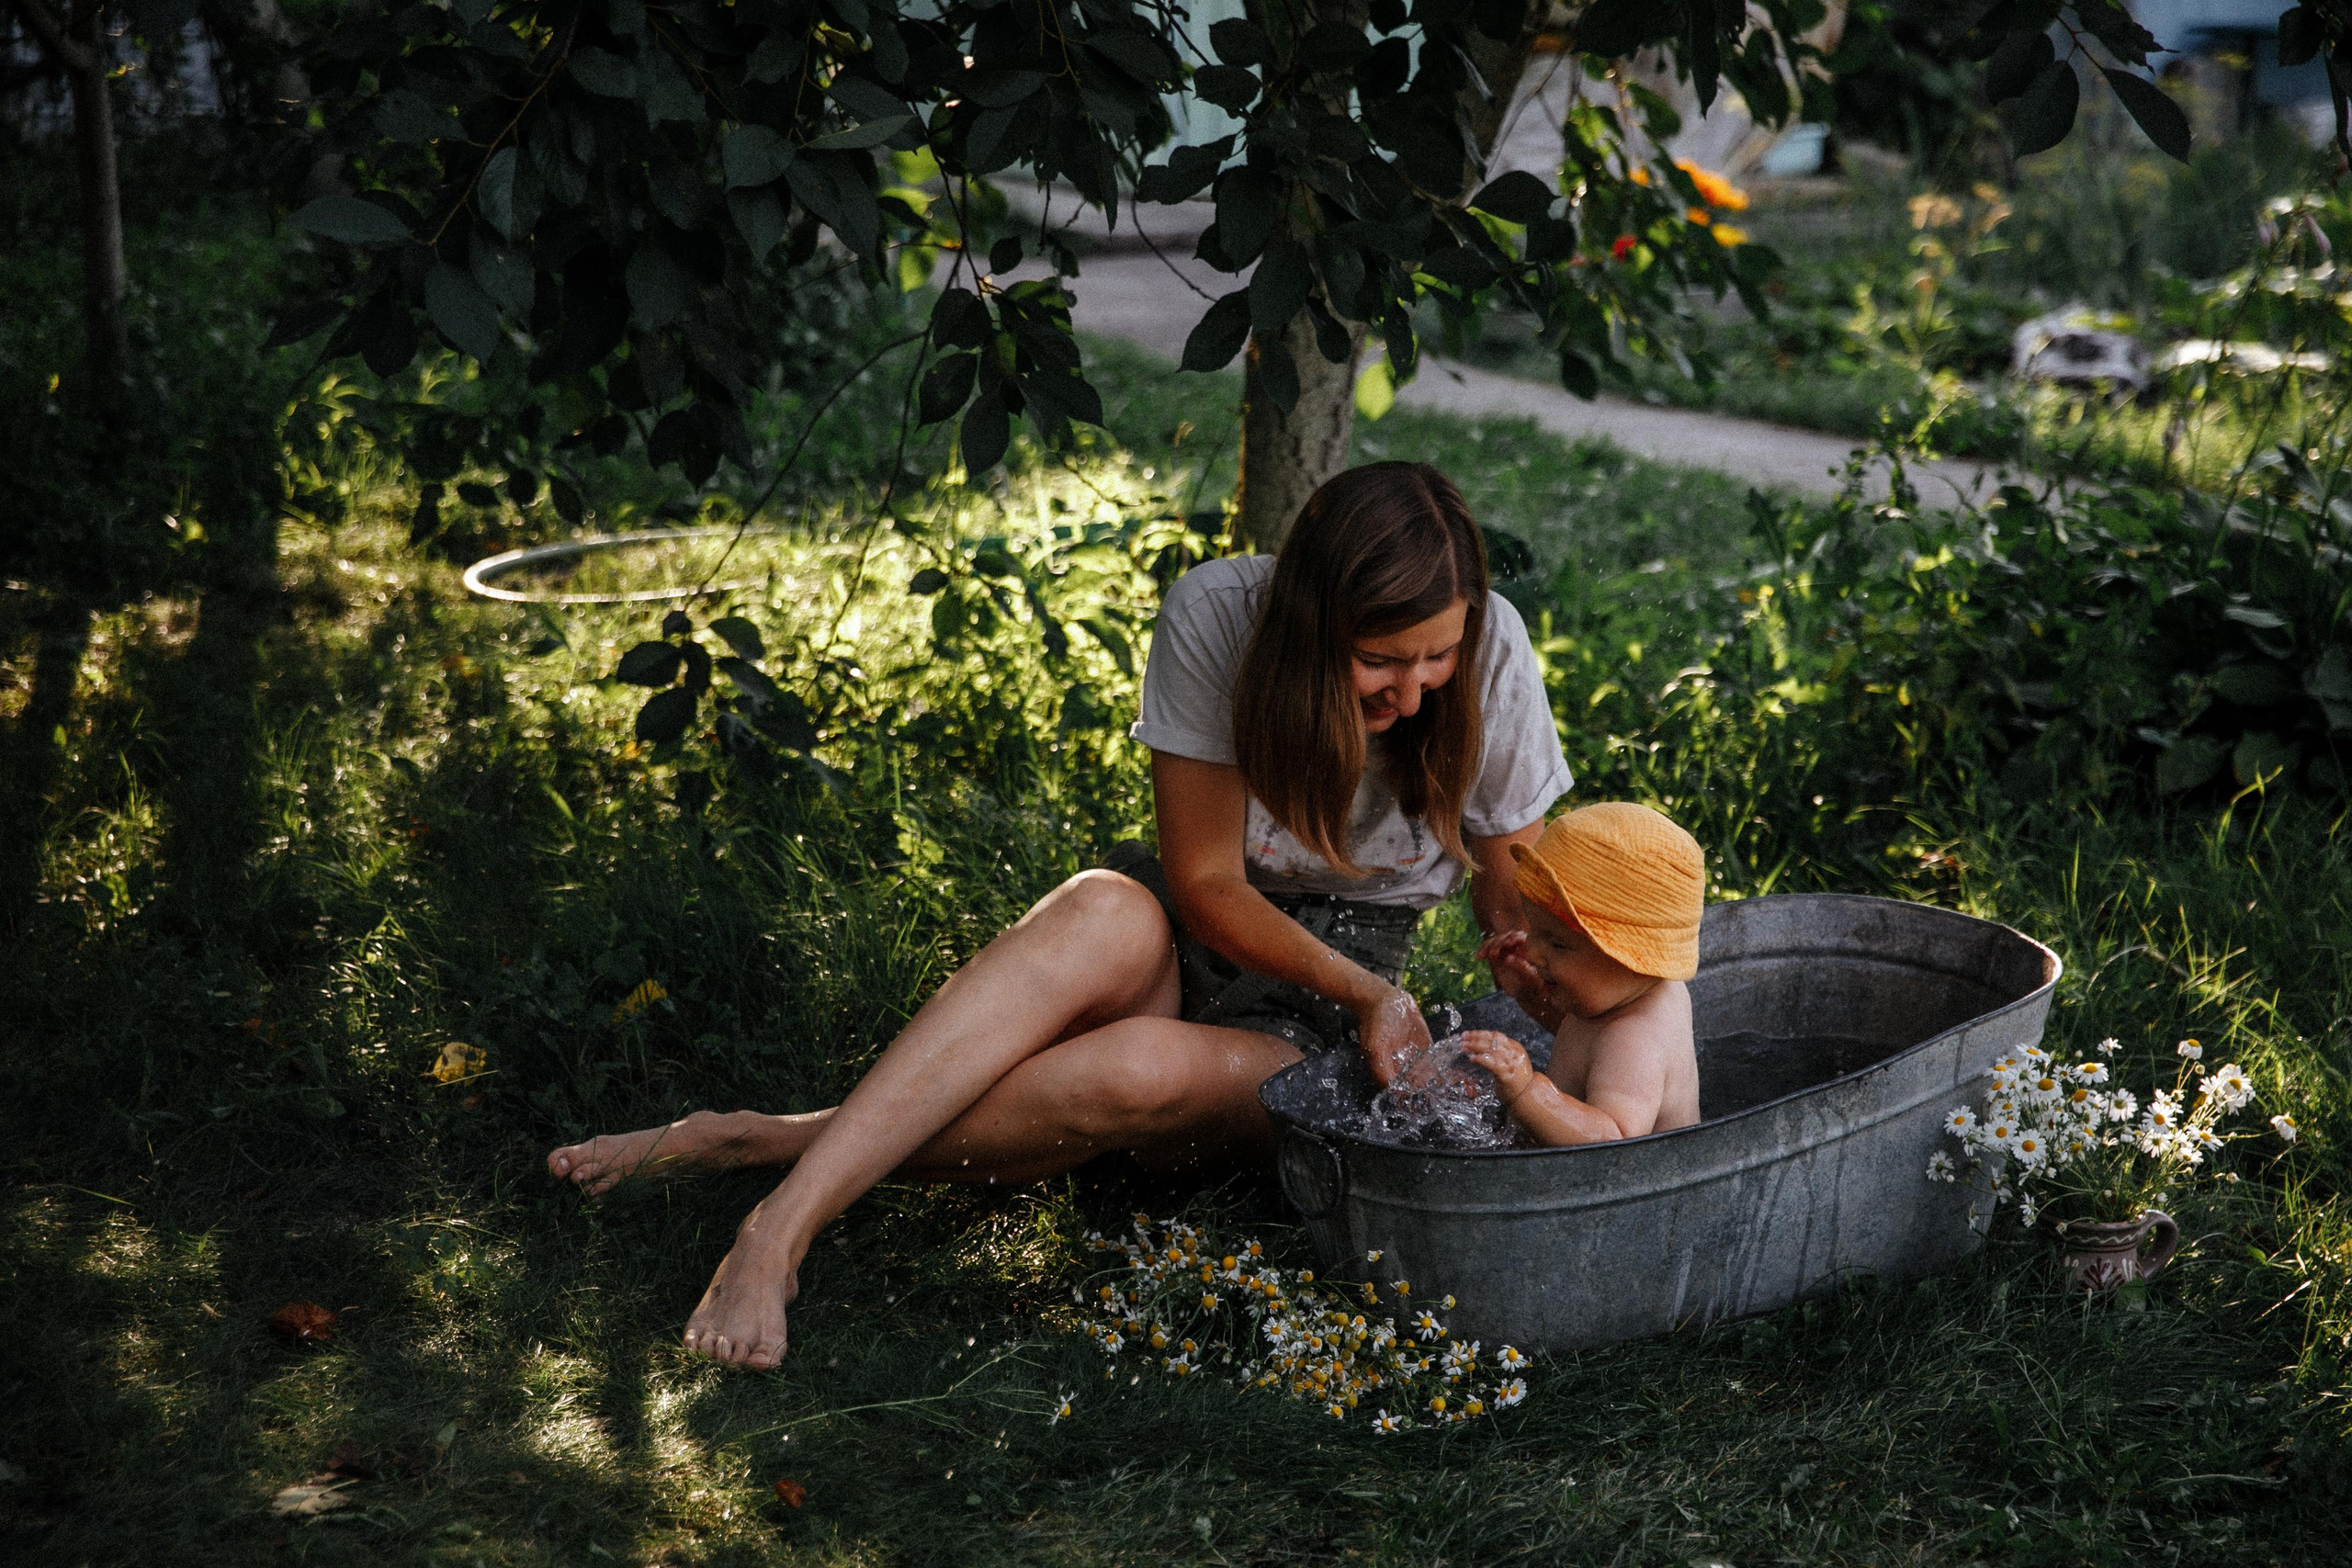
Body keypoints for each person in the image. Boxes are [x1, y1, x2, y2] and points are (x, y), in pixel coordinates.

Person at [545, 461, 1573, 1369]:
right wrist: (1373, 995)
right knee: (1097, 910)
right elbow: (1206, 887)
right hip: (1199, 923)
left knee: (1137, 1073)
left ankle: (762, 1142)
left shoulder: (1490, 653)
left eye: (1435, 657)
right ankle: (776, 1233)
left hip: (1317, 1008)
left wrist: (1522, 941)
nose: (1414, 691)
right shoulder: (1221, 615)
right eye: (1381, 660)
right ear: (1311, 628)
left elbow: (1506, 873)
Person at [1458, 802, 1704, 1145]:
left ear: (1630, 958)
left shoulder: (1635, 1041)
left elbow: (1612, 1140)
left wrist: (1528, 1093)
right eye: (1535, 931)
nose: (1532, 951)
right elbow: (1586, 1049)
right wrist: (1532, 994)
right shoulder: (1621, 994)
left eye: (1557, 944)